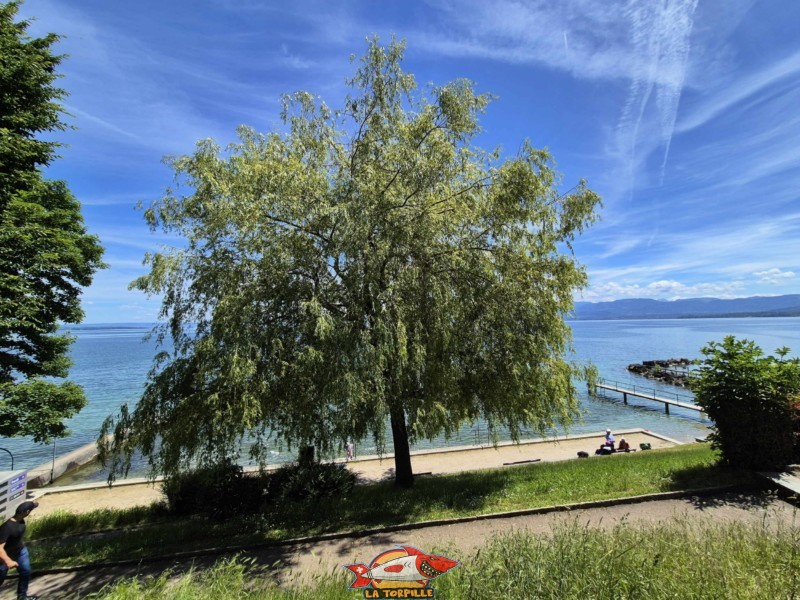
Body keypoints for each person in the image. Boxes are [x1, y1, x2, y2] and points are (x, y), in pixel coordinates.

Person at [0, 500, 39, 600]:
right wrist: (8, 561)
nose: (30, 512)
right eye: (31, 510)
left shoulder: (20, 520)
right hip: (4, 558)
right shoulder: (6, 527)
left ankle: (22, 596)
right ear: (26, 512)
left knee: (26, 572)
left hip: (20, 552)